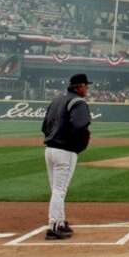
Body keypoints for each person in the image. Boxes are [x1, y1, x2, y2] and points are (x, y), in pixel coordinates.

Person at [41, 72, 92, 240]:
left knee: (56, 190)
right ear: (80, 87)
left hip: (50, 149)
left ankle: (60, 222)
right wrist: (79, 144)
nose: (87, 89)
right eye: (86, 86)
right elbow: (80, 125)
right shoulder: (78, 102)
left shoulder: (56, 100)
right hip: (65, 151)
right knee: (59, 190)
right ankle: (54, 226)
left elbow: (45, 126)